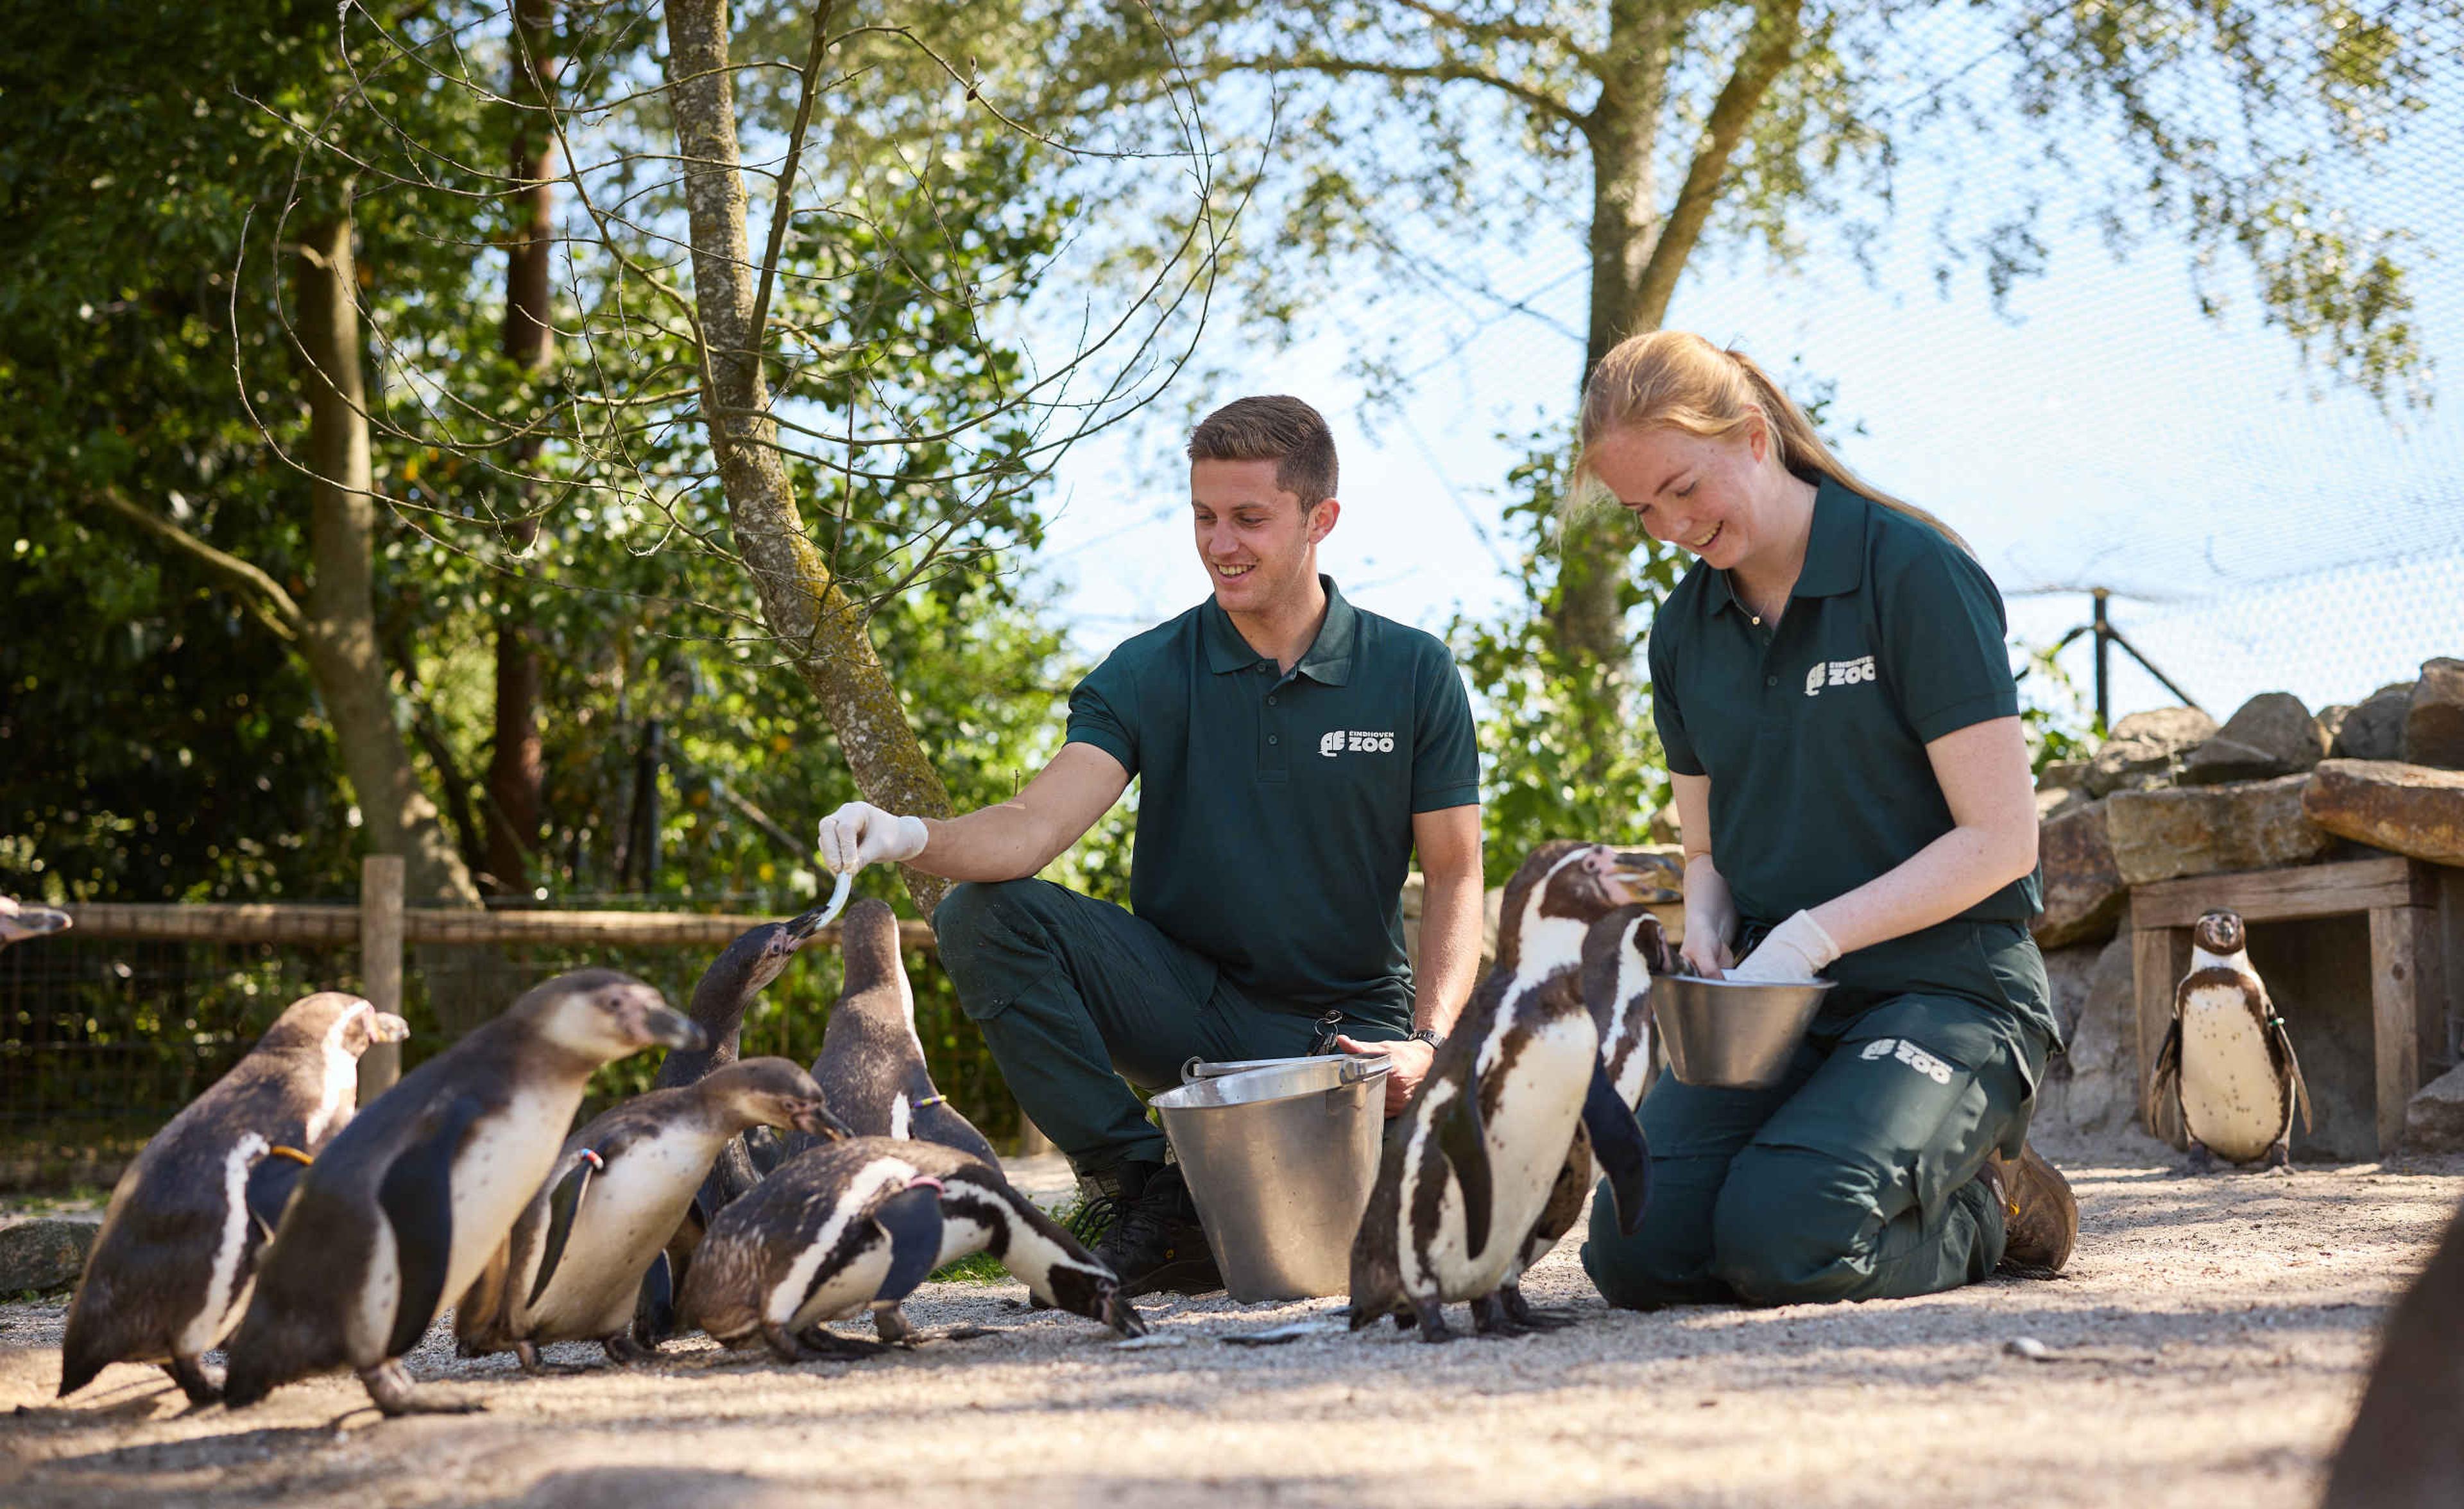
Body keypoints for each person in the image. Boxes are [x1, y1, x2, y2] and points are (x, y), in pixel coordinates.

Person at [816, 396, 1485, 1297]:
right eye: (1204, 517)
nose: (1220, 544)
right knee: (988, 914)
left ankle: (1232, 1198)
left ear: (1320, 519)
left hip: (1354, 1044)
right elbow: (1031, 827)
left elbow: (1454, 871)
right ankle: (1150, 1193)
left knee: (1419, 1238)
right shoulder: (1146, 671)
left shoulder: (1412, 671)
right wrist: (907, 835)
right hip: (1190, 1011)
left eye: (1249, 518)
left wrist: (1431, 1044)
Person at [1572, 331, 2073, 1308]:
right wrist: (1709, 916)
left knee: (1791, 1240)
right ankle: (1818, 1167)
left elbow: (2002, 841)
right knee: (1636, 1254)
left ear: (1753, 438)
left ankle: (1993, 1200)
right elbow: (1706, 845)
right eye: (1642, 510)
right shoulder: (1681, 632)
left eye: (1683, 488)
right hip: (1773, 1007)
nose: (1669, 527)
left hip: (1948, 990)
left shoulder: (1913, 570)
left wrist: (1807, 935)